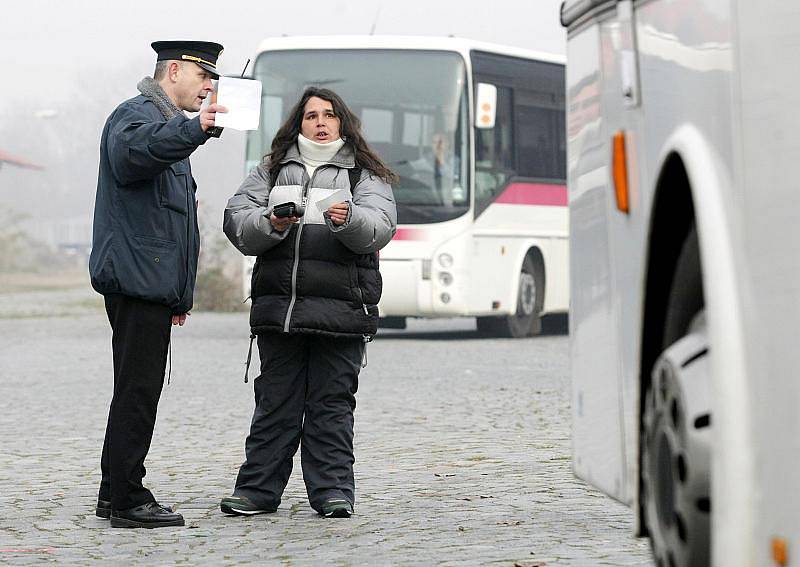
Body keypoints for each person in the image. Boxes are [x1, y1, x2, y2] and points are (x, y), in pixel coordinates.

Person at [221, 87, 397, 518]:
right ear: (297, 124)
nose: (320, 122)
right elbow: (237, 220)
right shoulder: (270, 169)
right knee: (275, 404)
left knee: (332, 405)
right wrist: (272, 220)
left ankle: (333, 491)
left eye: (329, 115)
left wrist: (349, 219)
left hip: (342, 312)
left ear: (343, 123)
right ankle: (257, 491)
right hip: (281, 311)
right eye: (311, 115)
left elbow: (379, 226)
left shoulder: (364, 174)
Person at [88, 40, 227, 528]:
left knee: (134, 388)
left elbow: (173, 226)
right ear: (173, 70)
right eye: (203, 76)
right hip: (135, 280)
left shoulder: (166, 126)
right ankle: (128, 498)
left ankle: (112, 492)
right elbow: (134, 158)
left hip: (150, 283)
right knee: (138, 391)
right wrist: (193, 129)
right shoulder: (137, 115)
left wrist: (178, 293)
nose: (210, 87)